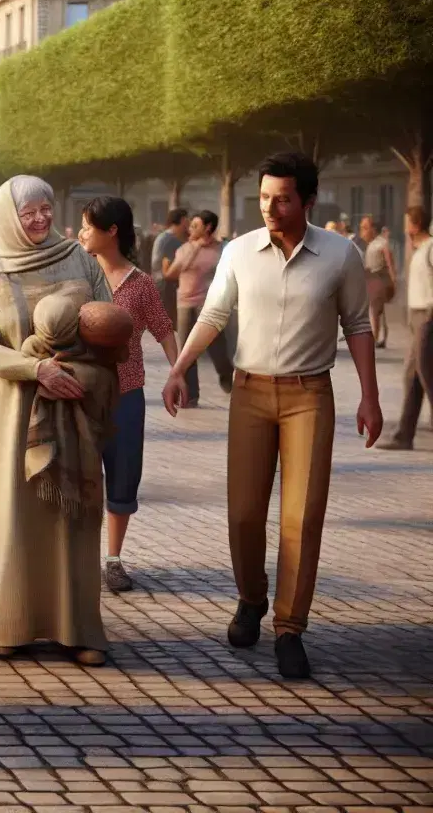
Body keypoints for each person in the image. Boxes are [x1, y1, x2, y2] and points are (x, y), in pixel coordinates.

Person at [161, 152, 381, 680]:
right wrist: (178, 368)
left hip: (310, 395)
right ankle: (250, 599)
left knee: (301, 517)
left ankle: (290, 628)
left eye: (282, 198)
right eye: (264, 197)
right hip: (249, 393)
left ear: (307, 200)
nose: (271, 208)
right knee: (243, 513)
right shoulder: (238, 252)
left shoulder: (340, 254)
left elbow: (358, 325)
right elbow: (214, 314)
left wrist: (370, 396)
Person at [0, 175, 113, 666]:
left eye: (45, 208)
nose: (39, 219)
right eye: (27, 212)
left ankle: (81, 630)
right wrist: (35, 368)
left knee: (76, 513)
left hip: (74, 406)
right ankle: (14, 624)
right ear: (8, 217)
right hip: (16, 413)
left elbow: (105, 319)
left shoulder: (79, 258)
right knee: (19, 517)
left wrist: (73, 361)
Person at [77, 196, 179, 593]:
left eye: (88, 225)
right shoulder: (80, 277)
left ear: (112, 231)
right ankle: (78, 557)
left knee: (123, 478)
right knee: (81, 478)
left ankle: (113, 560)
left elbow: (163, 329)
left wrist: (178, 372)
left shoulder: (140, 285)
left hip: (127, 395)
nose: (82, 233)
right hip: (81, 393)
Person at [167, 210, 235, 405]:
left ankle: (225, 374)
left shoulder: (223, 249)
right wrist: (194, 249)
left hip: (210, 304)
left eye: (196, 226)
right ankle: (191, 394)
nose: (191, 229)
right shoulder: (185, 249)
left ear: (208, 228)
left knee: (217, 347)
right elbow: (172, 273)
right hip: (185, 303)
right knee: (188, 349)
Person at [381, 206, 432, 450]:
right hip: (417, 316)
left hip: (428, 316)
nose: (404, 227)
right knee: (412, 376)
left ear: (414, 223)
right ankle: (404, 434)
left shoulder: (431, 248)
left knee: (426, 373)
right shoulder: (420, 249)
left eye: (406, 222)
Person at [359, 216, 396, 348]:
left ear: (373, 229)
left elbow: (389, 262)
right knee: (376, 311)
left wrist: (393, 281)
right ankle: (379, 338)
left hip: (379, 279)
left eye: (365, 228)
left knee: (374, 310)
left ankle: (374, 338)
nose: (362, 231)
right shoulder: (371, 244)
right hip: (371, 278)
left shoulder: (381, 243)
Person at [150, 208, 189, 326]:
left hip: (164, 284)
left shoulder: (167, 237)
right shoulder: (169, 239)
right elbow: (168, 265)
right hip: (166, 285)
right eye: (187, 220)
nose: (189, 224)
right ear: (182, 220)